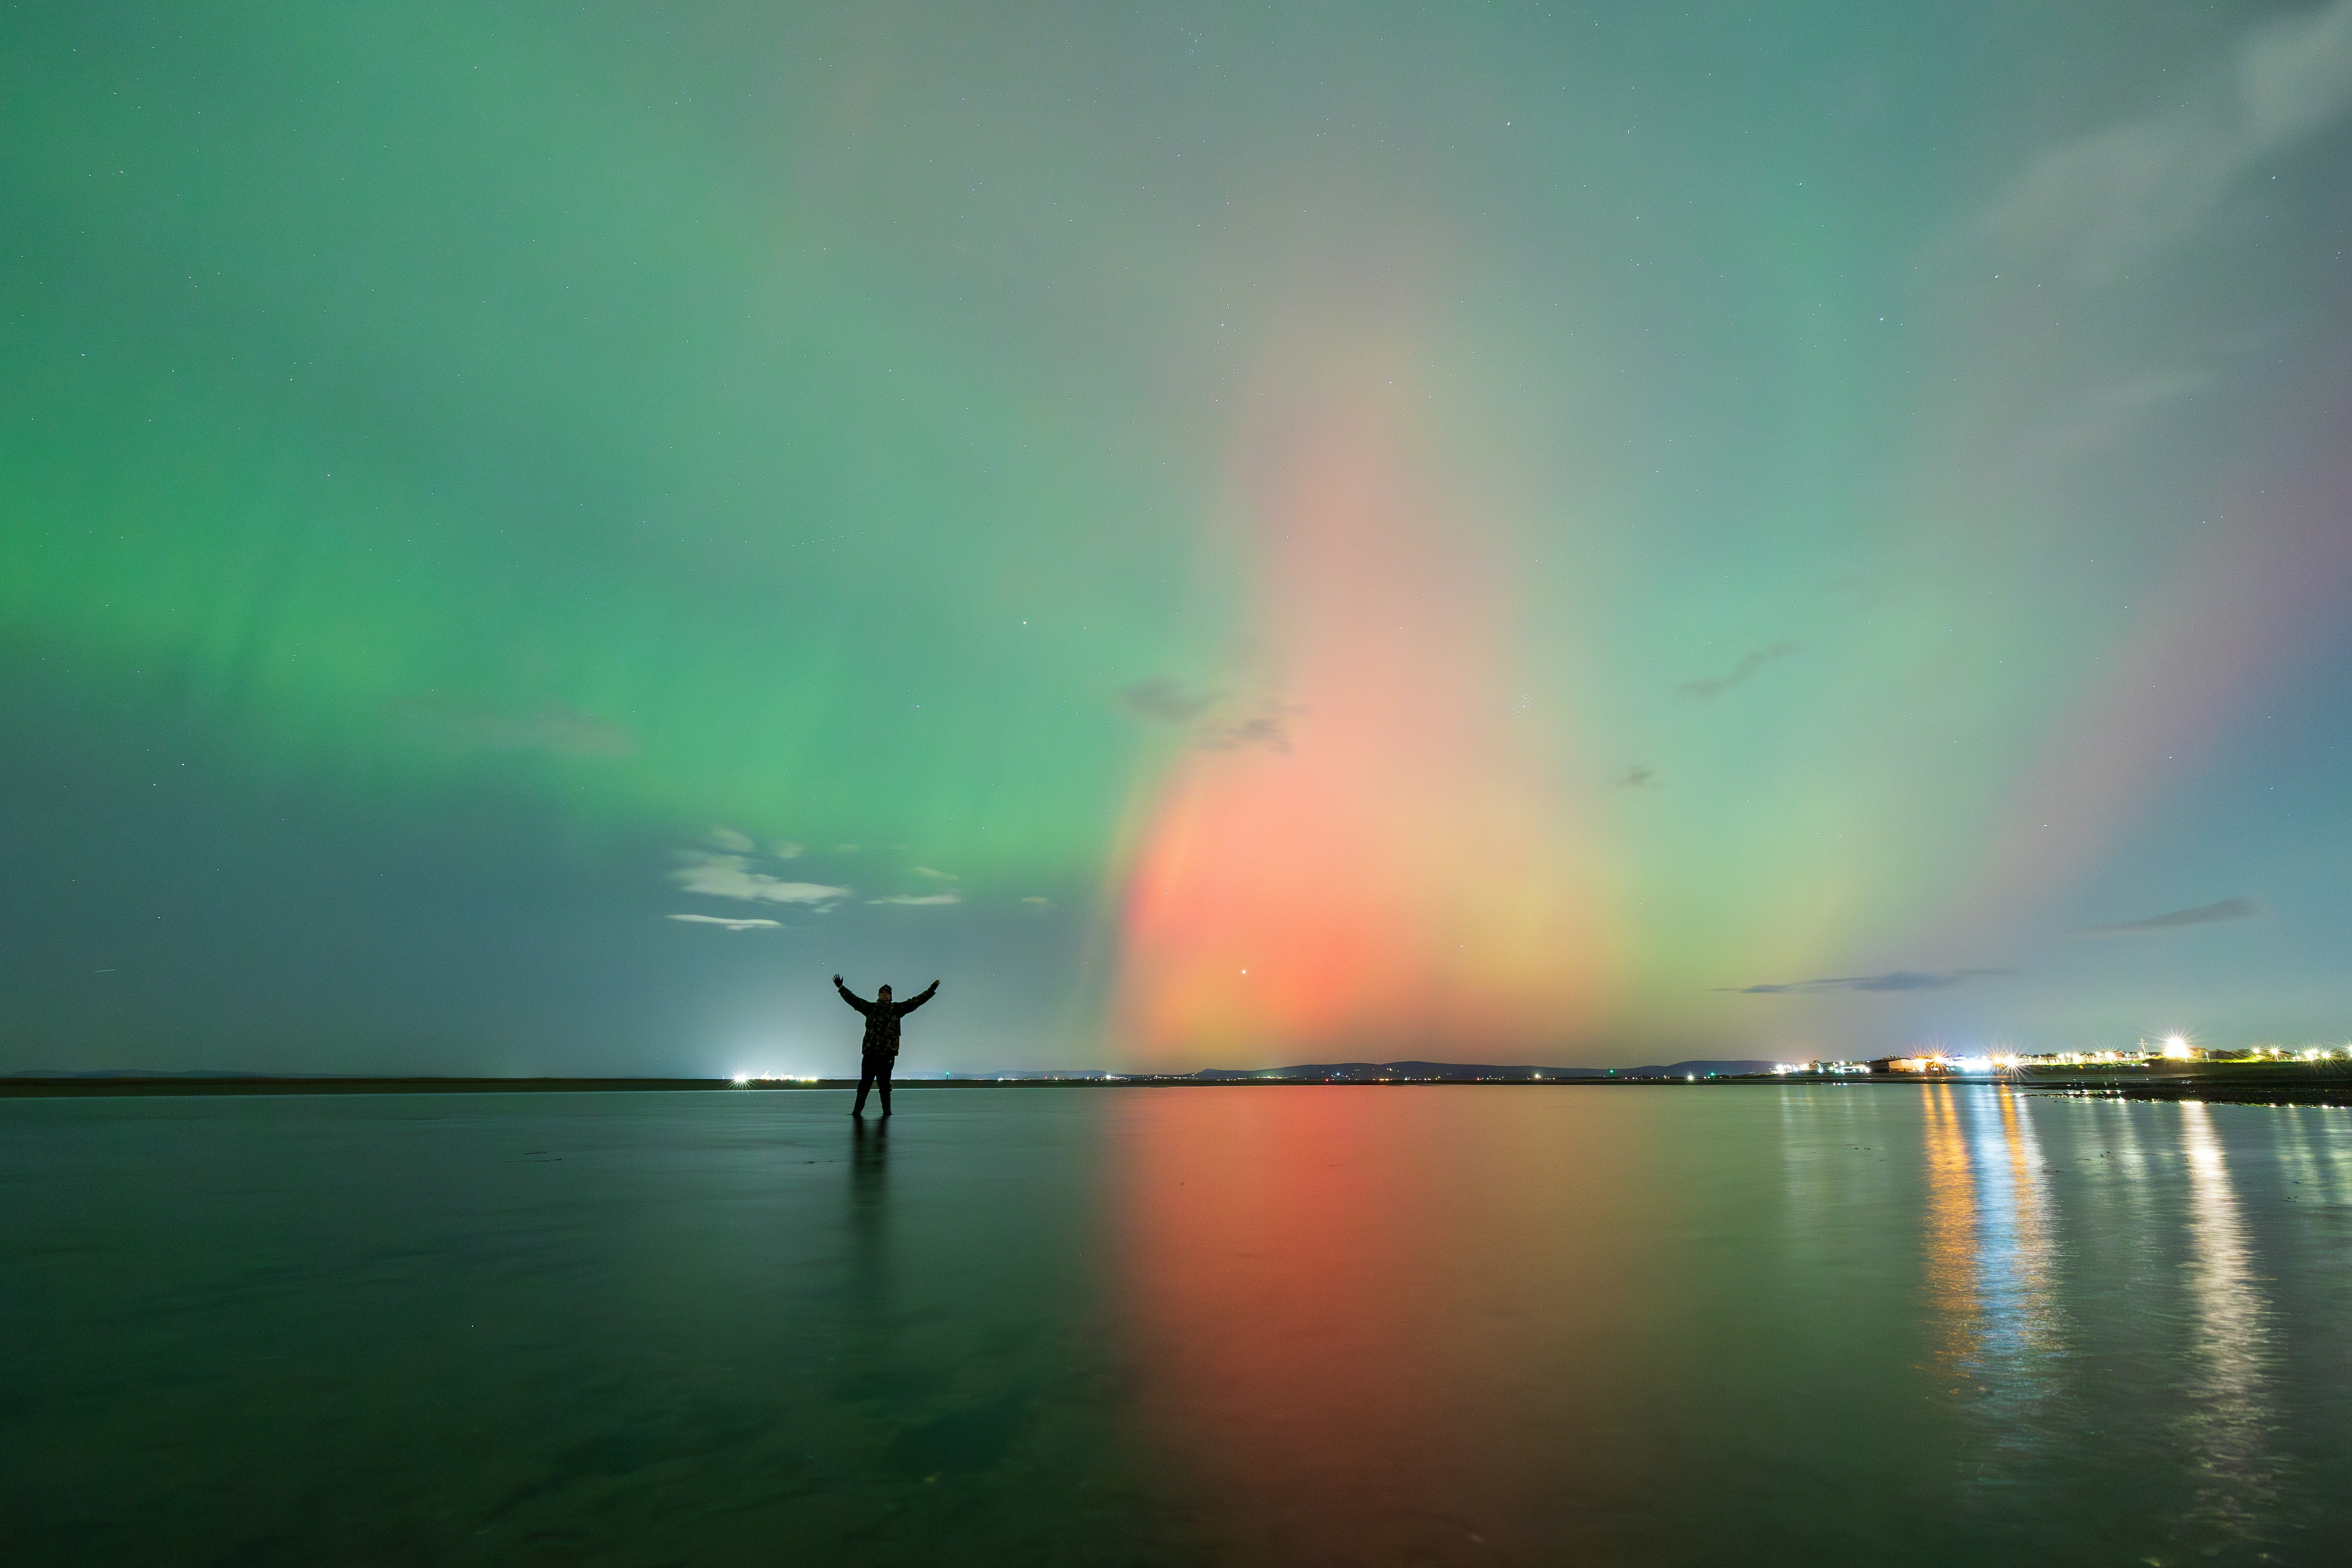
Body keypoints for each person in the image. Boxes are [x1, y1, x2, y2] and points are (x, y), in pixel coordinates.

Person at [834, 973, 938, 1117]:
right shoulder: (870, 1008)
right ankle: (856, 1113)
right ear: (878, 995)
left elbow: (916, 1002)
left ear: (890, 996)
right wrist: (841, 988)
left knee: (884, 1086)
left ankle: (887, 1114)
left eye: (886, 993)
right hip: (870, 1055)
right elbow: (854, 1000)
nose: (883, 995)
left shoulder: (897, 1009)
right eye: (881, 993)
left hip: (887, 1056)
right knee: (864, 1084)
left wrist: (931, 990)